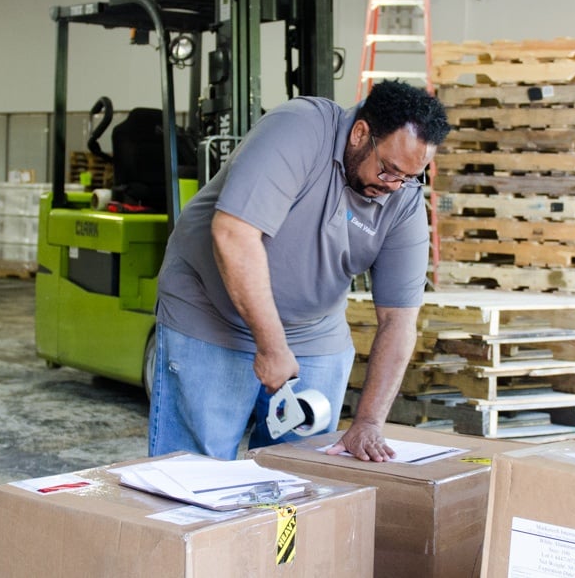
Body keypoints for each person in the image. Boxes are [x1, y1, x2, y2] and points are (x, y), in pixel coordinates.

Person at [148, 80, 451, 463]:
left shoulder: (402, 198)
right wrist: (272, 346)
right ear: (360, 134)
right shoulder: (299, 129)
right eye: (389, 170)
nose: (394, 186)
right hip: (210, 315)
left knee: (298, 475)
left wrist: (369, 422)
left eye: (410, 177)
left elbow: (399, 319)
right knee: (192, 473)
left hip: (313, 334)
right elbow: (234, 234)